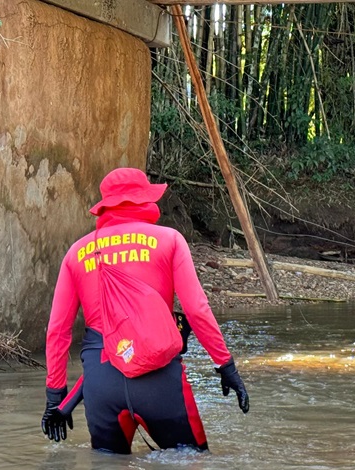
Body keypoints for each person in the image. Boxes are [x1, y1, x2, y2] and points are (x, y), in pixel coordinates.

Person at [40, 168, 248, 453]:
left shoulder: (77, 252)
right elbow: (197, 310)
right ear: (143, 199)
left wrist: (56, 396)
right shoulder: (169, 240)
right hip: (159, 377)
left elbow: (58, 330)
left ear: (106, 204)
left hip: (101, 384)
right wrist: (225, 365)